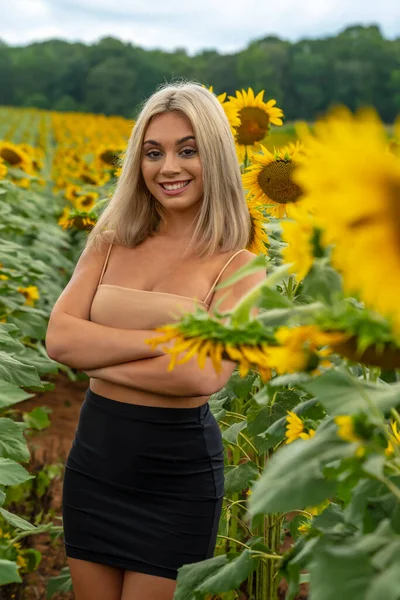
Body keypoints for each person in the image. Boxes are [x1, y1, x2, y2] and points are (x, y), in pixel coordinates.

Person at [45, 81, 266, 600]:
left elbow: (201, 375)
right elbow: (59, 339)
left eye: (188, 150)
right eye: (154, 152)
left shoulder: (239, 266)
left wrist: (96, 356)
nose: (169, 167)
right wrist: (167, 340)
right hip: (95, 465)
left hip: (176, 479)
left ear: (214, 155)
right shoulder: (110, 240)